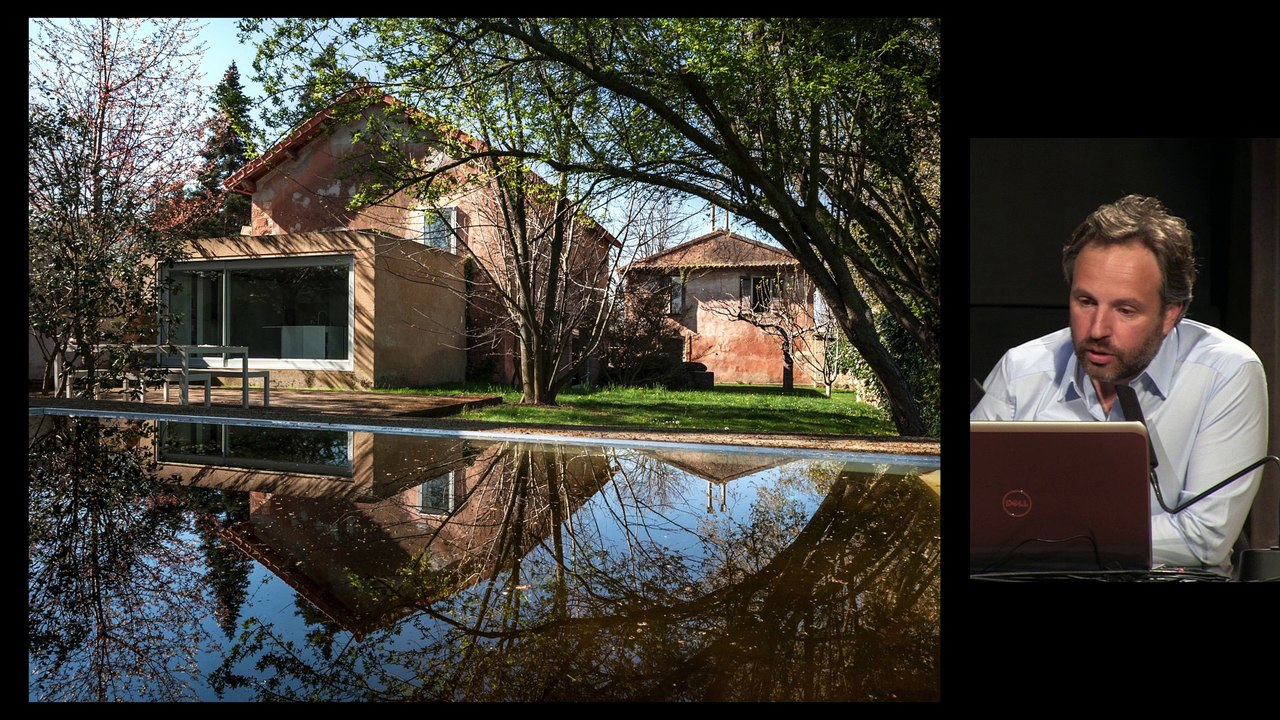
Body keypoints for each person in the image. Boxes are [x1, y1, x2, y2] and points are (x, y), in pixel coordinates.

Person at [971, 194, 1268, 575]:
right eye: (1085, 301)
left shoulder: (1227, 373)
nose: (1097, 330)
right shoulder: (1022, 369)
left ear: (1170, 314)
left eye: (1125, 310)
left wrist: (1041, 540)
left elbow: (1203, 538)